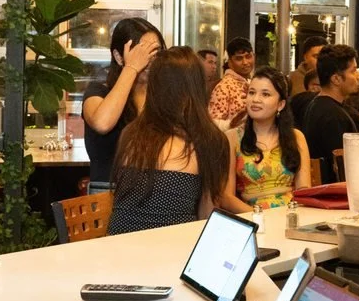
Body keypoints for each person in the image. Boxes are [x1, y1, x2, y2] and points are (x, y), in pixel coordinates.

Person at [108, 47, 230, 235]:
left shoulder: (131, 132)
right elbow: (208, 216)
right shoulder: (210, 140)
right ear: (197, 87)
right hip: (173, 251)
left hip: (117, 249)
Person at [82, 17, 163, 186]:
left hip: (153, 195)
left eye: (155, 52)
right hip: (108, 194)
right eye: (140, 52)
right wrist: (131, 68)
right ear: (119, 56)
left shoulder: (162, 96)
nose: (148, 59)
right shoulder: (98, 91)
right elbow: (102, 123)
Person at [219, 67, 311, 212]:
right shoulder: (232, 138)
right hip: (252, 216)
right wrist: (259, 217)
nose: (255, 99)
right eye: (252, 92)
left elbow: (304, 191)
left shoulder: (296, 137)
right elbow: (226, 198)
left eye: (265, 94)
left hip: (291, 214)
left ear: (280, 104)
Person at [300, 44, 359, 183]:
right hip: (334, 195)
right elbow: (341, 171)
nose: (358, 76)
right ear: (336, 79)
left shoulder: (319, 105)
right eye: (353, 71)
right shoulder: (333, 115)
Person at [208, 37, 255, 129]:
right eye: (239, 58)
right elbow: (212, 124)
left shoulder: (252, 83)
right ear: (230, 62)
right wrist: (233, 125)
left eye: (248, 56)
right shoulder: (224, 87)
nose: (245, 62)